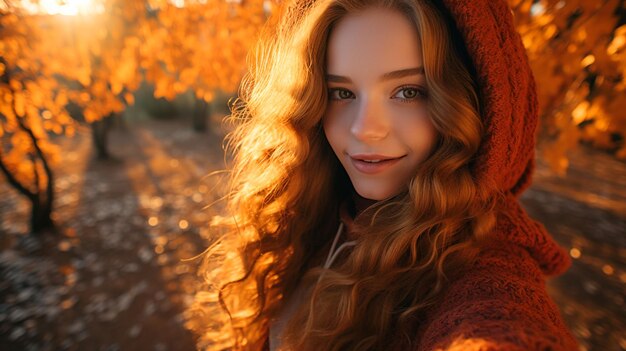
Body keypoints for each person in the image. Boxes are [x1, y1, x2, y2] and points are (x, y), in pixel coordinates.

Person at [189, 0, 580, 350]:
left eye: (408, 91)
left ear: (475, 104)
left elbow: (495, 321)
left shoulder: (483, 265)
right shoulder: (310, 211)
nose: (365, 129)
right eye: (342, 93)